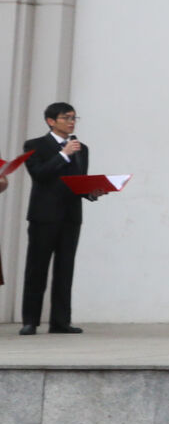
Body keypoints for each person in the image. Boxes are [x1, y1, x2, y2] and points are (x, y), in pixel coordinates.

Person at [21, 101, 96, 335]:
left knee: (65, 269)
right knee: (37, 269)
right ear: (51, 121)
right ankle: (30, 321)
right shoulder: (34, 145)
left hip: (71, 216)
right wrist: (63, 154)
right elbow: (39, 175)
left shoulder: (81, 148)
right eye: (66, 118)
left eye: (74, 117)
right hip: (44, 216)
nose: (72, 122)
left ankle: (61, 321)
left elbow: (78, 181)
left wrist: (92, 191)